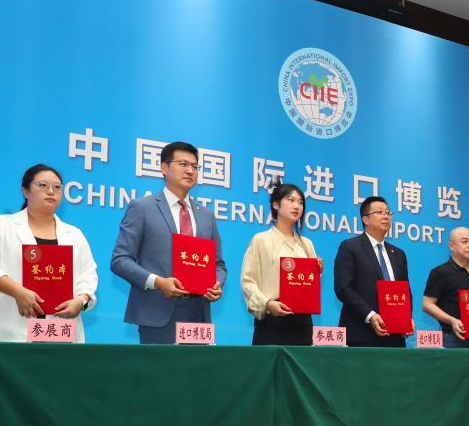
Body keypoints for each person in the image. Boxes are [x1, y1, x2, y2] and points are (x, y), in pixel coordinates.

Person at [111, 141, 226, 344]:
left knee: (198, 366)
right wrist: (157, 282)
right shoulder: (142, 207)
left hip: (198, 314)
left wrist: (216, 283)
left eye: (195, 166)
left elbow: (218, 265)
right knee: (160, 367)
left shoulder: (206, 215)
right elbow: (120, 260)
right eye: (183, 164)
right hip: (157, 312)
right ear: (164, 168)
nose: (190, 171)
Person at [0, 165, 98, 342]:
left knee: (58, 360)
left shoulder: (75, 235)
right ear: (25, 191)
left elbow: (88, 275)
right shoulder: (1, 225)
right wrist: (18, 292)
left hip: (59, 331)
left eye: (57, 187)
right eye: (43, 185)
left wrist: (81, 300)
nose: (51, 191)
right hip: (8, 331)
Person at [240, 182, 323, 345]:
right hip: (271, 321)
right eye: (291, 200)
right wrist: (267, 304)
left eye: (300, 202)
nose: (297, 206)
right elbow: (248, 281)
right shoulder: (261, 240)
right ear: (275, 204)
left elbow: (308, 285)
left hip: (302, 323)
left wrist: (316, 271)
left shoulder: (307, 244)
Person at [333, 196, 410, 347]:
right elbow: (343, 288)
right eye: (380, 212)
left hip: (394, 336)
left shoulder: (398, 254)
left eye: (388, 213)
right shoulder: (350, 247)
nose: (385, 216)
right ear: (365, 219)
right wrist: (371, 315)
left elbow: (405, 291)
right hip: (361, 334)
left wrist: (406, 318)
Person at [422, 227, 469, 348]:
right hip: (452, 338)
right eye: (464, 241)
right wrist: (452, 321)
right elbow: (427, 305)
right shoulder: (440, 272)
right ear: (451, 246)